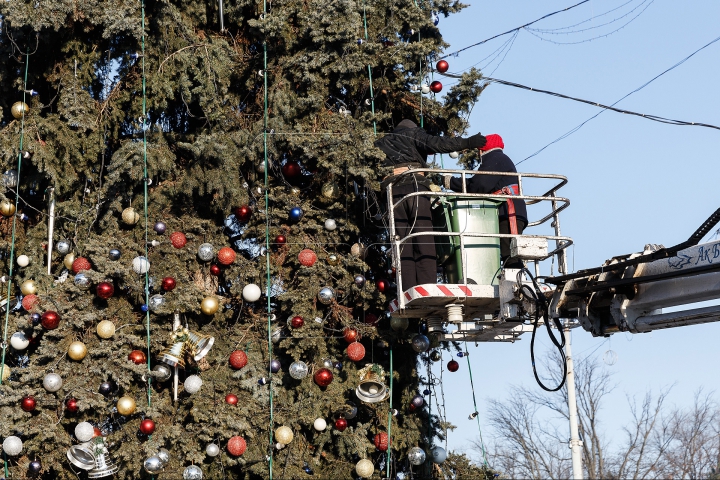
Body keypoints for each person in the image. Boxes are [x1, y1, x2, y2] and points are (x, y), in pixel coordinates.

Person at [374, 119, 487, 290]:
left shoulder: (382, 142)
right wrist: (468, 142)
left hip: (392, 192)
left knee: (403, 243)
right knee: (424, 238)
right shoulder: (414, 134)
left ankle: (408, 290)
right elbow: (439, 143)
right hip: (415, 186)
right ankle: (427, 287)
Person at [443, 134, 527, 269]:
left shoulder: (494, 159)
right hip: (509, 211)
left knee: (510, 253)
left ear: (482, 150)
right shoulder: (500, 159)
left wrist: (451, 182)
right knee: (508, 252)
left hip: (508, 213)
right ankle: (514, 279)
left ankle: (516, 282)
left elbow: (478, 185)